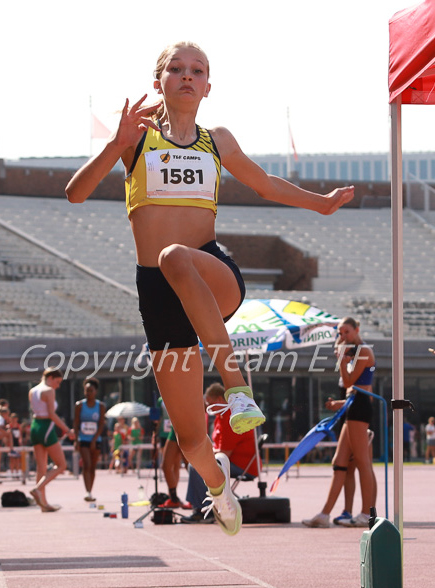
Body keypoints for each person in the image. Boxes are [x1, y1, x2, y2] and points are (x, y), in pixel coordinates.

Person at [66, 41, 354, 535]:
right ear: (158, 81)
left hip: (209, 272)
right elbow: (75, 193)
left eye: (196, 70)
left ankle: (238, 389)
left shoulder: (216, 140)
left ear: (207, 87)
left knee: (175, 255)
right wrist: (116, 145)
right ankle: (218, 490)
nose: (186, 76)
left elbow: (264, 184)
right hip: (159, 295)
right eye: (175, 69)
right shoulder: (136, 139)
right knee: (192, 436)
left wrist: (320, 204)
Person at [302, 317, 376, 528]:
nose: (343, 336)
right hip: (351, 405)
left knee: (362, 462)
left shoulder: (363, 351)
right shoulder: (353, 353)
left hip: (359, 408)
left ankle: (366, 513)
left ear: (357, 329)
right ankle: (325, 514)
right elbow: (349, 385)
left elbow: (352, 382)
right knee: (339, 462)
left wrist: (342, 360)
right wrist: (340, 402)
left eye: (346, 332)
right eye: (340, 333)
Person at [182, 382, 258, 524]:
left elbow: (224, 453)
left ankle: (203, 510)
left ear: (219, 400)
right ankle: (201, 507)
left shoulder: (231, 417)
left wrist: (204, 454)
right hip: (231, 460)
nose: (207, 408)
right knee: (197, 464)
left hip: (242, 465)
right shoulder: (221, 417)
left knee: (196, 467)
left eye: (209, 403)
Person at [29, 367, 75, 511]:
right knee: (61, 465)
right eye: (57, 381)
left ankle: (43, 504)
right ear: (50, 378)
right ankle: (38, 489)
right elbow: (51, 414)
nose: (58, 385)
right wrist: (67, 430)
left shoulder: (32, 390)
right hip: (45, 427)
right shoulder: (49, 391)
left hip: (35, 426)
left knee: (41, 468)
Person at [73, 377, 106, 502]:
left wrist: (95, 439)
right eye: (86, 391)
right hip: (83, 439)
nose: (88, 393)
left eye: (91, 391)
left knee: (92, 466)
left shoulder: (100, 406)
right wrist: (76, 440)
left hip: (95, 440)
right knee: (86, 464)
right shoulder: (79, 405)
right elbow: (76, 423)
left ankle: (90, 491)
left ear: (95, 391)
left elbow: (101, 424)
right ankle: (87, 491)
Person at [159, 426, 190, 509]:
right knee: (166, 466)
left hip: (187, 426)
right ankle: (174, 499)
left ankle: (196, 499)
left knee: (190, 466)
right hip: (175, 428)